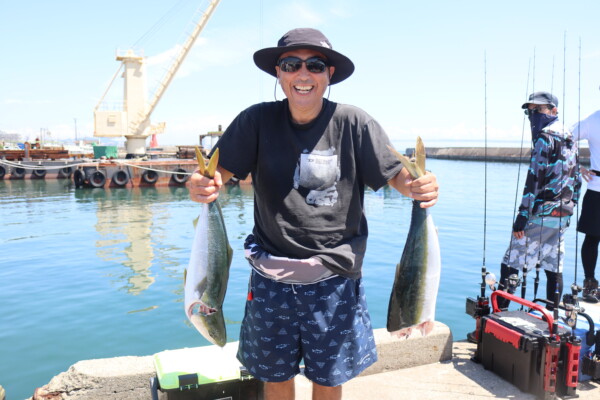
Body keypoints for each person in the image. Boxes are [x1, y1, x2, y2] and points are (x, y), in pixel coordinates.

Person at [187, 28, 439, 400]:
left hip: (334, 277)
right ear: (279, 73)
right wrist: (202, 183)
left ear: (329, 74)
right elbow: (218, 175)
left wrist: (419, 185)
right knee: (275, 377)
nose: (303, 75)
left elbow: (397, 176)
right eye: (292, 65)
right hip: (271, 278)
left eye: (315, 65)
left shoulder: (355, 122)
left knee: (329, 378)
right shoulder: (255, 121)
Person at [498, 91, 581, 309]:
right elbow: (577, 178)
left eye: (539, 109)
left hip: (541, 213)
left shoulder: (545, 138)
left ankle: (500, 311)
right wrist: (572, 208)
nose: (534, 114)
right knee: (553, 265)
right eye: (530, 111)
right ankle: (552, 314)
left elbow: (533, 180)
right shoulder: (570, 138)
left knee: (511, 261)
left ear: (554, 111)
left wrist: (522, 217)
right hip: (563, 213)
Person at [571, 108, 600, 303]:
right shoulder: (593, 120)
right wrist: (576, 165)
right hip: (597, 188)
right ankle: (590, 283)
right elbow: (564, 140)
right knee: (592, 238)